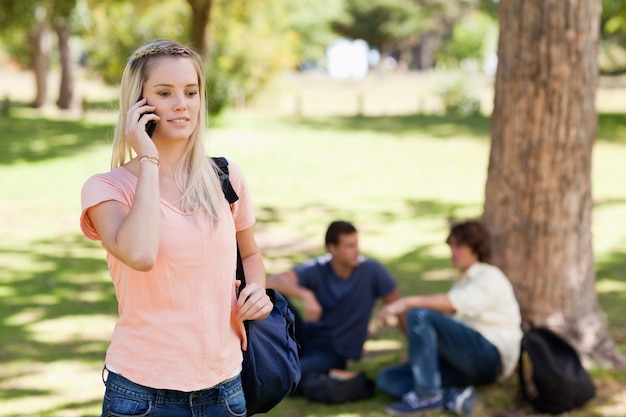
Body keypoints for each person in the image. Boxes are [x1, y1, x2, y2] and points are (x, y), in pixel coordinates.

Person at [79, 39, 273, 417]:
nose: (182, 104)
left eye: (191, 92)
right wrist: (148, 159)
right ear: (138, 104)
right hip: (140, 396)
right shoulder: (107, 188)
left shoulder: (224, 177)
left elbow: (248, 252)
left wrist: (257, 291)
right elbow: (140, 254)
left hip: (225, 390)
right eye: (165, 93)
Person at [376, 220, 522, 416]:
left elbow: (454, 305)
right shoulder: (461, 282)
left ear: (476, 247)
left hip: (489, 355)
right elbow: (449, 329)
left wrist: (406, 302)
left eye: (459, 246)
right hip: (463, 361)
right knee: (388, 378)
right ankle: (450, 397)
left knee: (418, 315)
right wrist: (419, 356)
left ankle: (427, 397)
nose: (453, 252)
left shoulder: (489, 276)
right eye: (451, 246)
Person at [266, 220, 406, 382]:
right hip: (308, 337)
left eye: (356, 244)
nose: (357, 251)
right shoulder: (318, 268)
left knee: (289, 372)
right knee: (272, 297)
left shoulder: (371, 271)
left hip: (334, 352)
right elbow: (272, 281)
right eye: (349, 246)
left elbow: (399, 306)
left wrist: (413, 351)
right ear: (332, 249)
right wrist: (306, 295)